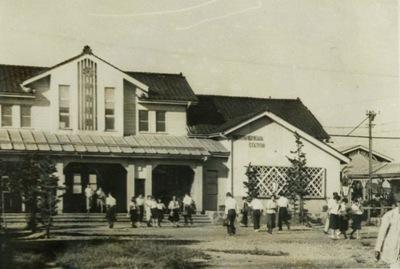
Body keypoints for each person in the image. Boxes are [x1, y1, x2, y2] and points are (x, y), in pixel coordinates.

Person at [375, 180, 400, 268]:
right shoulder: (389, 215)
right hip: (393, 247)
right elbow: (382, 232)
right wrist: (378, 248)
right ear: (397, 203)